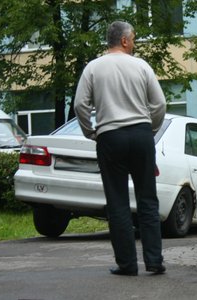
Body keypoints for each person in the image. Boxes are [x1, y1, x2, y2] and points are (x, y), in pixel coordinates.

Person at [74, 20, 166, 276]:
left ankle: (127, 264)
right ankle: (154, 261)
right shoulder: (141, 66)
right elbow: (159, 104)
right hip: (140, 135)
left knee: (117, 202)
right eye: (133, 38)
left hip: (110, 137)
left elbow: (80, 105)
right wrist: (151, 130)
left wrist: (91, 132)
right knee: (148, 198)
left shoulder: (93, 68)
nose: (134, 43)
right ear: (124, 41)